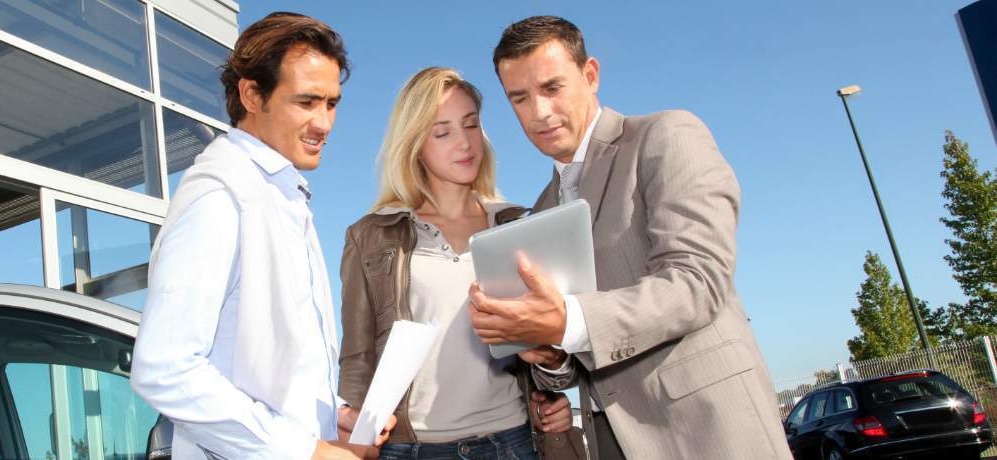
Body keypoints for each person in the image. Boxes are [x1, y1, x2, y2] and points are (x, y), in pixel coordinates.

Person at [468, 16, 792, 459]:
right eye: (520, 98)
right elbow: (575, 362)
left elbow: (698, 282)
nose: (538, 112)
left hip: (709, 433)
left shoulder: (666, 136)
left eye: (552, 88)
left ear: (591, 74)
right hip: (610, 443)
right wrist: (549, 355)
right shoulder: (538, 213)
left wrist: (567, 322)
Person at [129, 11, 393, 460]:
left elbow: (272, 371)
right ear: (252, 94)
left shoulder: (280, 195)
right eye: (306, 102)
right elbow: (164, 367)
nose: (325, 123)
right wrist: (305, 451)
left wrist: (334, 416)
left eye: (332, 104)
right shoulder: (221, 196)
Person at [339, 67, 575, 460]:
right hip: (410, 449)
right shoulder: (370, 236)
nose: (465, 143)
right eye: (443, 132)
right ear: (414, 143)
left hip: (511, 441)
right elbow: (357, 358)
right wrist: (357, 428)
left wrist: (551, 380)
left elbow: (557, 353)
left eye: (471, 126)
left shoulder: (517, 226)